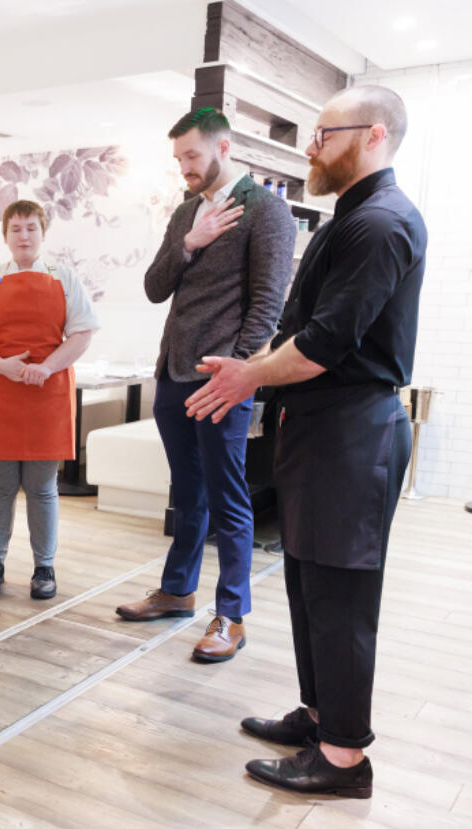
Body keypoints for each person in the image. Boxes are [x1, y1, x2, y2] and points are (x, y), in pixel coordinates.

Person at [186, 85, 425, 798]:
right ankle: (322, 716)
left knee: (341, 594)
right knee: (308, 584)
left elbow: (324, 342)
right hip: (324, 430)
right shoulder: (352, 218)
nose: (310, 147)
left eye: (324, 134)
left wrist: (246, 376)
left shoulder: (380, 223)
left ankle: (345, 757)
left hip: (354, 430)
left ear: (374, 136)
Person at [115, 108, 295, 663]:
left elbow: (268, 305)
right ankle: (177, 591)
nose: (184, 168)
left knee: (229, 498)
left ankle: (232, 615)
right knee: (186, 493)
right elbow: (153, 287)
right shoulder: (185, 213)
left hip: (222, 377)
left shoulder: (268, 212)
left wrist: (240, 370)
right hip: (173, 372)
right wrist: (188, 243)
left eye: (192, 156)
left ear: (223, 147)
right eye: (179, 159)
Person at [0, 200, 98, 600]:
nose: (23, 236)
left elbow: (82, 333)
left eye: (31, 228)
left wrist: (47, 367)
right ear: (5, 235)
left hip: (46, 393)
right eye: (16, 229)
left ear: (43, 233)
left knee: (42, 487)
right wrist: (3, 366)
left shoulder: (65, 278)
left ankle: (44, 567)